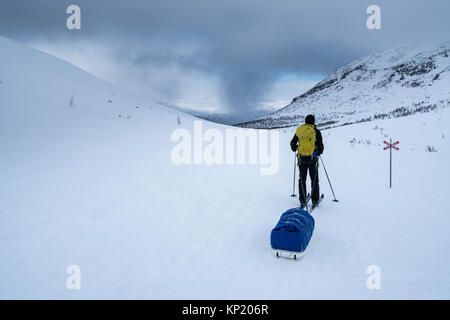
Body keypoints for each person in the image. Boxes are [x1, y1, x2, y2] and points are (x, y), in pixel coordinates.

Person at [290, 114, 324, 206]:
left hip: (301, 159)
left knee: (302, 178)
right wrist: (317, 151)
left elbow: (292, 144)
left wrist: (297, 147)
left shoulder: (300, 130)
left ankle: (302, 199)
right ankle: (315, 200)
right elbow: (321, 149)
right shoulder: (316, 132)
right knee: (314, 179)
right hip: (312, 159)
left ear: (305, 121)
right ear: (313, 121)